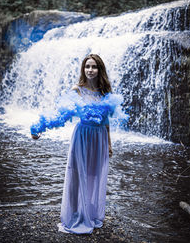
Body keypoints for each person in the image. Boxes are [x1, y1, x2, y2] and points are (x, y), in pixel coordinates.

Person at [30, 54, 124, 234]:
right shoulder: (77, 90)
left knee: (93, 175)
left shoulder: (105, 93)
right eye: (87, 66)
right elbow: (61, 113)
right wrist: (40, 128)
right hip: (82, 136)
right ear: (83, 69)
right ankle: (73, 214)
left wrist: (110, 144)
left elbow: (106, 121)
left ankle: (89, 212)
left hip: (99, 138)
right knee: (76, 174)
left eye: (94, 67)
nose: (90, 70)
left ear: (100, 70)